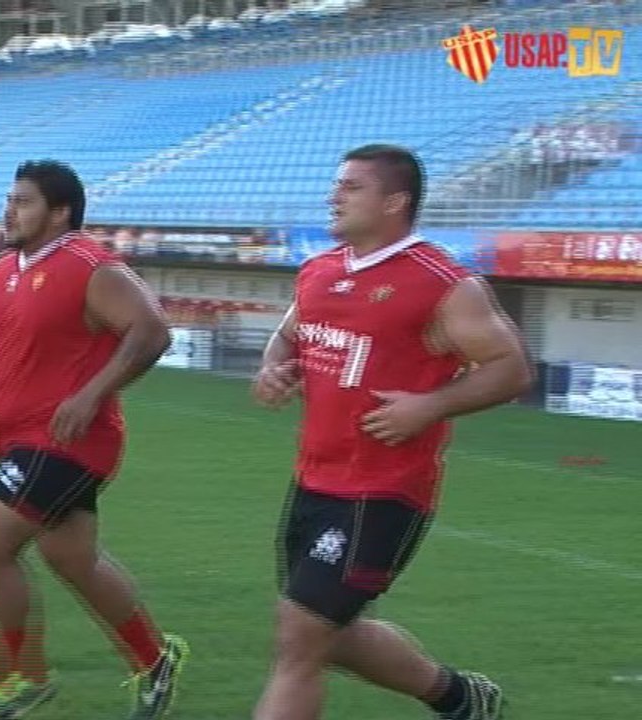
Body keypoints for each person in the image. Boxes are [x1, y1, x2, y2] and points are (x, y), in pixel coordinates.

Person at [250, 144, 532, 720]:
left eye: (352, 186)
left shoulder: (441, 282)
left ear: (395, 201)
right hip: (313, 480)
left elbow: (512, 368)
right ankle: (460, 698)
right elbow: (289, 336)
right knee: (326, 634)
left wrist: (429, 406)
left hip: (384, 490)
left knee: (300, 640)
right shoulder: (320, 269)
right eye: (337, 184)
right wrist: (274, 365)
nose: (335, 195)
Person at [0, 160, 188, 720]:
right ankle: (155, 659)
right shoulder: (2, 267)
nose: (9, 209)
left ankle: (19, 683)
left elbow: (152, 332)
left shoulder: (90, 267)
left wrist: (93, 393)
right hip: (17, 438)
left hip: (67, 440)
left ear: (60, 212)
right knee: (70, 557)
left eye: (22, 201)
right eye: (9, 199)